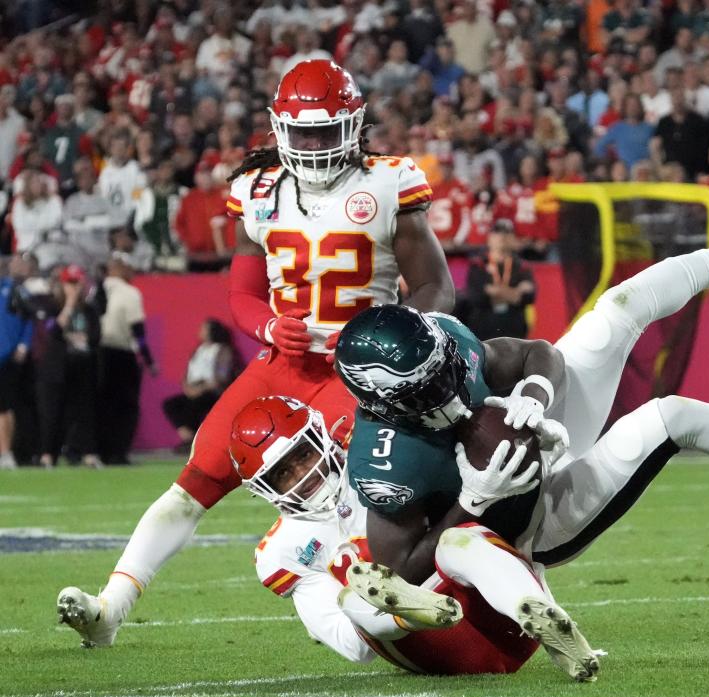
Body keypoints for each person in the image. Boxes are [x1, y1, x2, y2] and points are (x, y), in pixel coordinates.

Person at [332, 166, 709, 587]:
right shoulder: (385, 461)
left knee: (618, 308)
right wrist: (475, 503)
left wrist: (534, 395)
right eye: (429, 382)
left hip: (536, 437)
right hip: (529, 522)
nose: (448, 380)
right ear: (388, 403)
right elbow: (400, 573)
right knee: (670, 415)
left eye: (443, 364)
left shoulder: (441, 342)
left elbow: (536, 353)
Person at [56, 60, 454, 648]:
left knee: (358, 499)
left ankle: (382, 611)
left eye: (325, 131)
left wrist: (386, 338)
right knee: (194, 482)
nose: (313, 144)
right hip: (283, 367)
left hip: (362, 373)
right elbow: (241, 294)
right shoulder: (257, 189)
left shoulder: (389, 181)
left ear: (354, 125)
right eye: (302, 132)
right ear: (278, 128)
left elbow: (435, 288)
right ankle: (111, 607)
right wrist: (270, 325)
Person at [229, 396, 592, 681]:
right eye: (283, 474)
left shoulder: (376, 458)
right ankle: (408, 608)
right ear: (266, 489)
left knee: (457, 540)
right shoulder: (282, 552)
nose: (302, 473)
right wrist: (388, 613)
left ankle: (544, 619)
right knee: (353, 594)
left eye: (303, 454)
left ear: (319, 435)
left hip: (496, 611)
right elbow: (354, 646)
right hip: (433, 648)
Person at [36, 265, 102, 469]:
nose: (75, 288)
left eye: (78, 283)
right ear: (63, 284)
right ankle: (48, 454)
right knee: (52, 412)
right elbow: (54, 330)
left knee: (85, 412)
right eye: (71, 283)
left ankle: (88, 453)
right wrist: (70, 304)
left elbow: (95, 337)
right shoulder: (52, 305)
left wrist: (78, 338)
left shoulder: (90, 310)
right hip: (57, 369)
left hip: (83, 367)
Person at [97, 253, 155, 466]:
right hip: (121, 354)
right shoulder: (130, 293)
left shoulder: (97, 290)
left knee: (103, 404)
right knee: (126, 406)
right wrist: (149, 360)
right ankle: (118, 452)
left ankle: (101, 451)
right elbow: (137, 330)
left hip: (98, 353)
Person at [163, 319, 238, 454]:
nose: (200, 332)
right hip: (193, 388)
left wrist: (201, 389)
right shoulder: (199, 350)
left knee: (196, 404)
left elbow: (222, 376)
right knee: (171, 404)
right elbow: (187, 373)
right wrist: (187, 388)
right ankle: (188, 437)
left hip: (211, 390)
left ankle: (192, 440)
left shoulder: (222, 350)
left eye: (203, 329)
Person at [461, 219, 535, 340]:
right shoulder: (478, 264)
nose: (502, 237)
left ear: (514, 239)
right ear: (489, 238)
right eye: (497, 233)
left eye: (507, 233)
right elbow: (476, 297)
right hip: (483, 328)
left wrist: (494, 291)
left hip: (514, 330)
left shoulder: (522, 266)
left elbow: (529, 297)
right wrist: (514, 293)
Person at [0, 254, 35, 469]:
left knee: (5, 407)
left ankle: (5, 452)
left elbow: (28, 318)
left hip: (6, 355)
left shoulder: (14, 290)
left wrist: (23, 344)